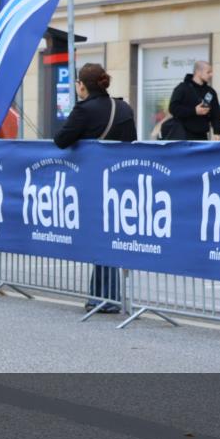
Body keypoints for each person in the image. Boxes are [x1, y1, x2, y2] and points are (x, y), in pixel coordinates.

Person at [54, 63, 136, 314]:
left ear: (81, 85)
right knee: (111, 236)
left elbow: (61, 140)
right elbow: (131, 141)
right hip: (121, 182)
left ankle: (106, 298)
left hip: (93, 182)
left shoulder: (84, 109)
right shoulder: (123, 107)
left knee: (101, 238)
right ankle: (101, 296)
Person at [168, 60, 220, 140]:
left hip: (202, 136)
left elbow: (216, 114)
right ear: (198, 72)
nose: (211, 75)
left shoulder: (210, 92)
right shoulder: (182, 88)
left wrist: (217, 132)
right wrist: (194, 111)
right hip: (183, 136)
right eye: (208, 72)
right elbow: (173, 108)